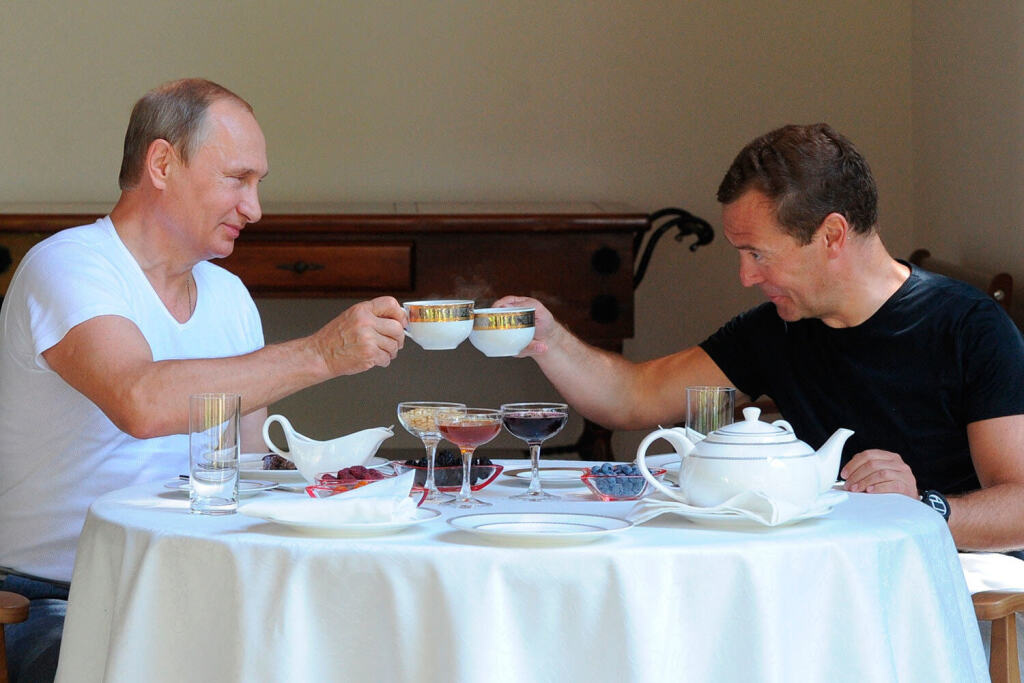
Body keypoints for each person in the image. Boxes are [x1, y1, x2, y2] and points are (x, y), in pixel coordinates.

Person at [0, 78, 407, 682]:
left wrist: (351, 488)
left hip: (198, 588)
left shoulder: (228, 294)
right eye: (237, 178)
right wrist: (323, 354)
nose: (255, 208)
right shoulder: (69, 264)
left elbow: (249, 468)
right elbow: (140, 401)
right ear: (162, 163)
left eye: (258, 183)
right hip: (59, 599)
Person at [497, 122, 1024, 552]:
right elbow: (633, 397)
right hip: (828, 574)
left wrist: (926, 509)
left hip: (950, 587)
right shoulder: (779, 328)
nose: (746, 277)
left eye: (758, 254)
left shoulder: (969, 327)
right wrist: (550, 340)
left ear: (832, 235)